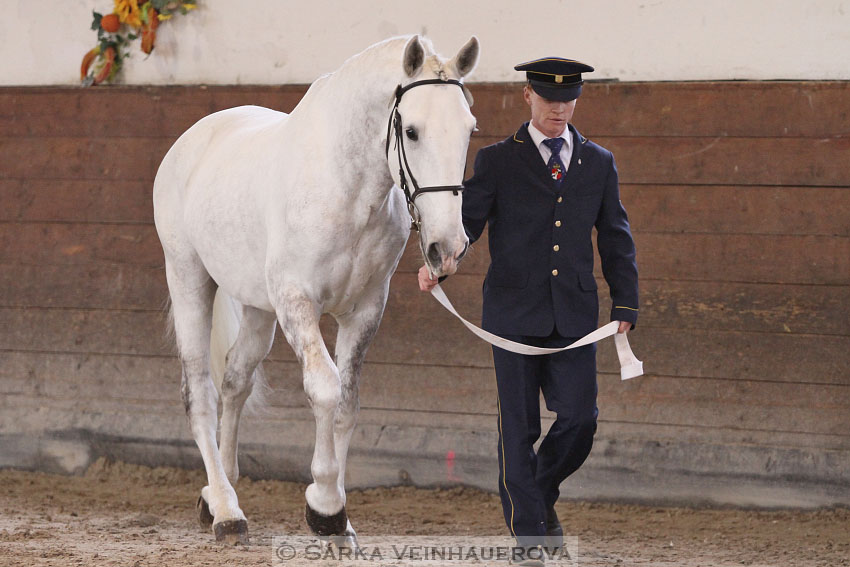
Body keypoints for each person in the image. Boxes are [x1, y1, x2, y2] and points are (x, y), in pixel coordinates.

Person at [418, 57, 638, 564]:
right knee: (518, 430)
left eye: (567, 99)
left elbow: (615, 236)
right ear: (528, 97)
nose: (558, 108)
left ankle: (535, 494)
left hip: (576, 319)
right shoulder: (497, 160)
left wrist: (625, 300)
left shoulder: (599, 162)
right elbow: (467, 223)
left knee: (580, 421)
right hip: (512, 317)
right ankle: (532, 539)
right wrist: (441, 264)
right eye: (548, 99)